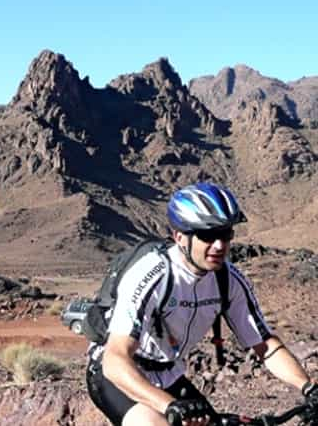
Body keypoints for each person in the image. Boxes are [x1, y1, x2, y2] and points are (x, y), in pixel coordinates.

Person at [86, 182, 318, 426]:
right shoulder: (151, 275)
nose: (219, 245)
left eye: (226, 233)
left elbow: (266, 346)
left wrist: (309, 387)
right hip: (119, 376)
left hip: (169, 374)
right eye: (207, 235)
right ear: (179, 237)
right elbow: (115, 360)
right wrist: (169, 405)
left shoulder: (228, 280)